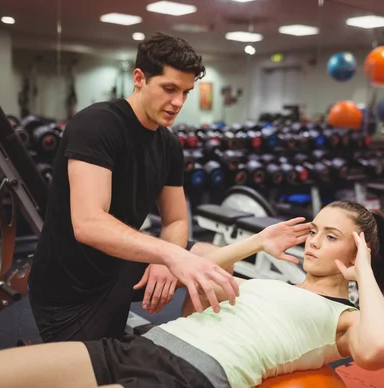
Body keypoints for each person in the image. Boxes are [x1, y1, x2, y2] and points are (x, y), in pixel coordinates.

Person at [0, 201, 384, 388]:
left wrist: (363, 272)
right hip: (136, 347)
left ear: (359, 249)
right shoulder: (273, 286)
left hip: (186, 381)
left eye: (332, 236)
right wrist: (259, 242)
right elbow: (199, 266)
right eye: (314, 230)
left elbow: (380, 351)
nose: (314, 242)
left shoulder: (346, 318)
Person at [27, 32, 239, 343]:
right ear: (139, 78)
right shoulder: (97, 126)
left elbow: (176, 220)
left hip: (121, 266)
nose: (178, 102)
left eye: (185, 92)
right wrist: (169, 254)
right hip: (72, 287)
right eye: (169, 89)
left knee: (217, 265)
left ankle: (185, 354)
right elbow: (89, 224)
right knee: (93, 386)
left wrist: (165, 259)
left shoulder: (169, 144)